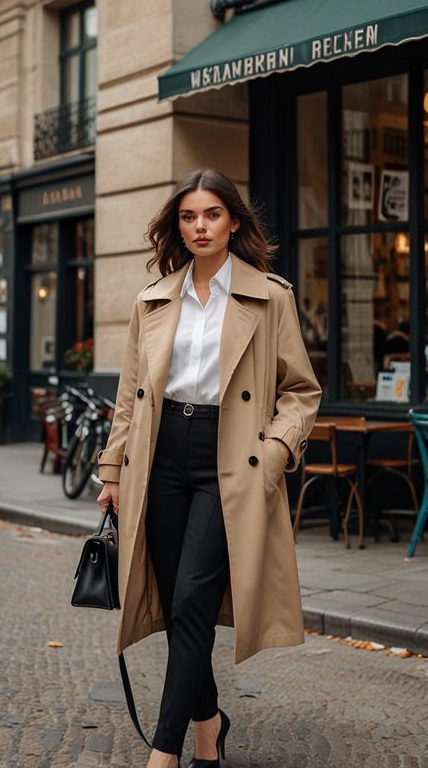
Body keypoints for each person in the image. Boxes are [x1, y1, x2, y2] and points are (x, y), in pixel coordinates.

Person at [96, 168, 322, 768]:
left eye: (213, 214)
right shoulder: (152, 301)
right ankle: (208, 726)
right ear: (178, 225)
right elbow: (129, 396)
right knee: (176, 604)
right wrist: (112, 471)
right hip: (160, 455)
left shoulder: (269, 296)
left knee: (194, 598)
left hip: (231, 461)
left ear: (234, 222)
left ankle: (163, 752)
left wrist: (273, 455)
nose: (200, 226)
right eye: (189, 216)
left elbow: (301, 390)